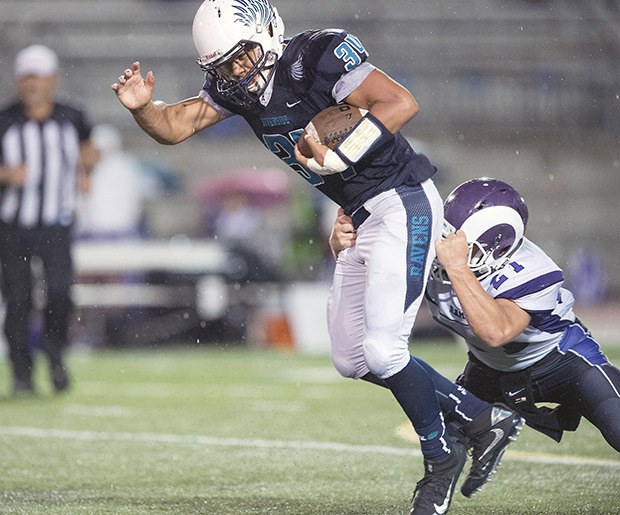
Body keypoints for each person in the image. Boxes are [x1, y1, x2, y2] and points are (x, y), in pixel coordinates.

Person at [111, 2, 522, 511]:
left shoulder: (315, 55)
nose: (237, 74)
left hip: (402, 202)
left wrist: (343, 152)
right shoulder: (236, 88)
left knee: (383, 353)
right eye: (223, 68)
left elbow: (399, 103)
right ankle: (481, 417)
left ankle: (440, 456)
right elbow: (174, 125)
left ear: (268, 33)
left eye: (241, 58)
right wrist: (141, 109)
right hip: (358, 216)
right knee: (350, 357)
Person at [330, 177, 620, 453]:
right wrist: (347, 251)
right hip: (488, 370)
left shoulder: (534, 271)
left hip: (562, 363)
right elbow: (373, 295)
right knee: (449, 442)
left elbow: (496, 332)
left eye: (460, 244)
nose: (445, 247)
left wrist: (458, 269)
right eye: (445, 236)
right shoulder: (441, 251)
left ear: (497, 248)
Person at [0, 44, 99, 395]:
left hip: (57, 223)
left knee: (60, 294)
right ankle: (21, 372)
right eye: (27, 76)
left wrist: (87, 167)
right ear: (18, 79)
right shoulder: (6, 120)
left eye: (38, 76)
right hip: (14, 227)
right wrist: (7, 175)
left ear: (52, 79)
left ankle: (55, 357)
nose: (32, 84)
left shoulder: (72, 117)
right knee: (18, 299)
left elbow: (90, 148)